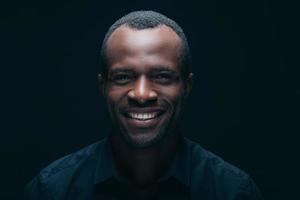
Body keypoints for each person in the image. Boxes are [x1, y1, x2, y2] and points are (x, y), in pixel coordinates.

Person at [25, 10, 263, 200]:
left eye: (161, 76)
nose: (141, 94)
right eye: (123, 77)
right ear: (103, 87)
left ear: (187, 87)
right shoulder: (52, 191)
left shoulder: (233, 192)